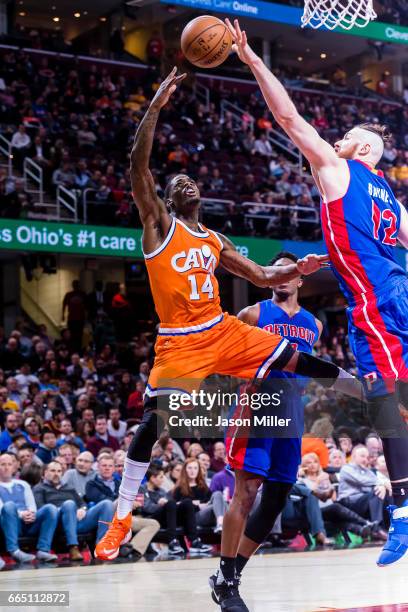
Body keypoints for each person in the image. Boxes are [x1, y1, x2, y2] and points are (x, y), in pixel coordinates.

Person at [95, 67, 362, 581]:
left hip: (221, 329)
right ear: (168, 200)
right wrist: (155, 106)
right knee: (155, 424)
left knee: (290, 354)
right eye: (177, 182)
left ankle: (359, 387)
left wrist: (295, 269)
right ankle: (122, 513)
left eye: (191, 178)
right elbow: (137, 165)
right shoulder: (158, 227)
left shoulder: (213, 239)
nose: (187, 181)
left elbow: (262, 274)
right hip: (180, 342)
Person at [226, 17, 408, 568]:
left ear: (364, 148)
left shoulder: (339, 170)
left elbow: (286, 116)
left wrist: (254, 60)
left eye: (349, 134)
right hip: (399, 294)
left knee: (384, 399)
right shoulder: (396, 205)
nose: (339, 137)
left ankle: (402, 512)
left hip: (376, 303)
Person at [210, 251, 322, 607]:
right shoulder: (252, 314)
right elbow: (226, 361)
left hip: (291, 416)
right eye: (276, 271)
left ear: (299, 279)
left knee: (276, 498)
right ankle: (227, 581)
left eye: (288, 272)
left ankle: (230, 574)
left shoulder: (314, 325)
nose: (282, 277)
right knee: (247, 490)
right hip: (255, 411)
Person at [34, 461, 114, 562]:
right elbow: (41, 508)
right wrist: (64, 509)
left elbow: (82, 503)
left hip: (77, 520)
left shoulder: (68, 488)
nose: (56, 474)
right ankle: (73, 547)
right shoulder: (39, 488)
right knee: (69, 504)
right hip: (59, 523)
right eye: (53, 471)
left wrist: (82, 509)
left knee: (107, 504)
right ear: (45, 473)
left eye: (59, 471)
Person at [137, 464, 210, 556]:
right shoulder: (140, 489)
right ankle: (172, 542)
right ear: (152, 478)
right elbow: (145, 508)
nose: (163, 479)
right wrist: (160, 505)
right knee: (170, 503)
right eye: (161, 477)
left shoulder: (162, 491)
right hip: (150, 518)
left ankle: (194, 541)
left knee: (187, 502)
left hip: (167, 518)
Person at [0, 453, 58, 563]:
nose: (6, 467)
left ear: (14, 467)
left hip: (28, 522)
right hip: (8, 524)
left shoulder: (23, 484)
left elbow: (32, 506)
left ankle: (43, 550)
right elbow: (1, 509)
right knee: (9, 506)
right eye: (3, 464)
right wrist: (21, 515)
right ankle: (14, 551)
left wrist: (31, 514)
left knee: (50, 508)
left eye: (9, 464)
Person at [172, 458, 228, 534]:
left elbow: (209, 500)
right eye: (190, 468)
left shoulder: (203, 486)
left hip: (210, 512)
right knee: (222, 505)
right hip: (194, 516)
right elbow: (178, 506)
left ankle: (220, 523)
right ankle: (222, 523)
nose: (193, 471)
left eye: (195, 468)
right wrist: (197, 505)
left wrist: (199, 503)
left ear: (198, 470)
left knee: (218, 494)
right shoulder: (179, 488)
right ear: (185, 470)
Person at [62, 281, 87, 352]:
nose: (76, 286)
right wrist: (63, 315)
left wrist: (86, 317)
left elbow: (87, 307)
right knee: (71, 336)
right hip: (72, 318)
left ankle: (78, 350)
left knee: (79, 336)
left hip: (80, 318)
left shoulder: (83, 294)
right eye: (74, 284)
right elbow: (64, 304)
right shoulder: (69, 294)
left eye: (77, 284)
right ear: (73, 285)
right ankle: (72, 350)